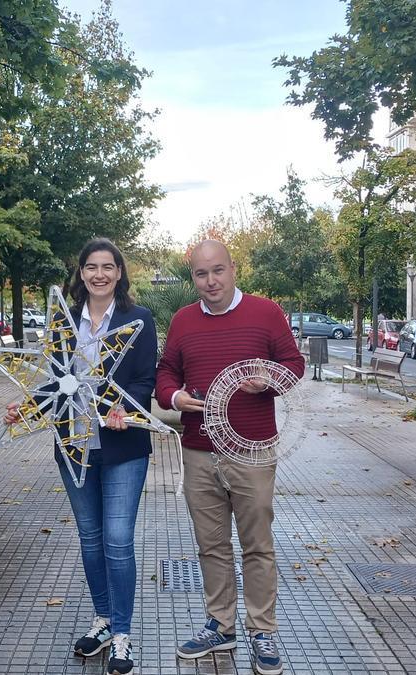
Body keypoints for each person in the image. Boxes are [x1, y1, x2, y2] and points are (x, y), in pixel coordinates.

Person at [3, 238, 156, 675]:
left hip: (124, 447)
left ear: (120, 273)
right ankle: (104, 620)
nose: (100, 274)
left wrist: (129, 407)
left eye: (109, 267)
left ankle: (123, 635)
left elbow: (147, 378)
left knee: (117, 540)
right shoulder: (63, 320)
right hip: (74, 446)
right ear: (81, 273)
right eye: (92, 266)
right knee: (90, 539)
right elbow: (55, 382)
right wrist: (25, 410)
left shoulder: (138, 319)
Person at [155, 240, 304, 675]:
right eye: (201, 274)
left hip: (253, 451)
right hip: (199, 450)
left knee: (257, 545)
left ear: (233, 269)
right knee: (211, 545)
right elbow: (167, 370)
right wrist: (175, 396)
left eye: (218, 271)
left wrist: (268, 381)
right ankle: (220, 625)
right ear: (193, 278)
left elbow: (293, 365)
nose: (211, 281)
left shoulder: (266, 313)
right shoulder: (183, 320)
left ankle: (263, 630)